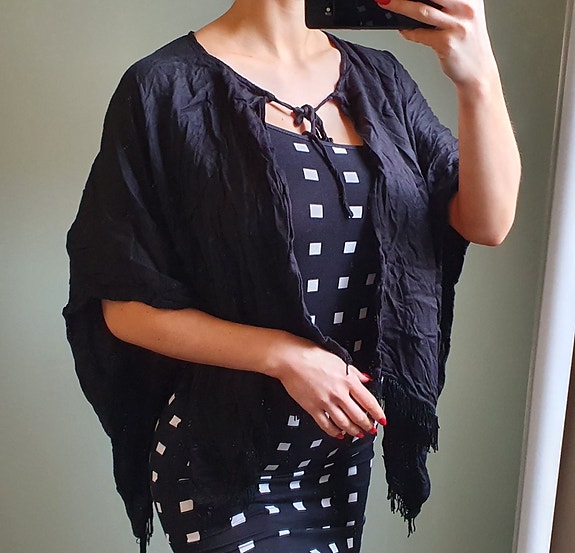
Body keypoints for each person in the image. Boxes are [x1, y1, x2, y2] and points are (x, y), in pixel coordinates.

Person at [63, 1, 521, 552]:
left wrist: (477, 74)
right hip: (222, 460)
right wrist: (286, 356)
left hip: (339, 457)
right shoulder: (164, 87)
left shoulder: (381, 81)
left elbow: (488, 221)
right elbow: (124, 306)